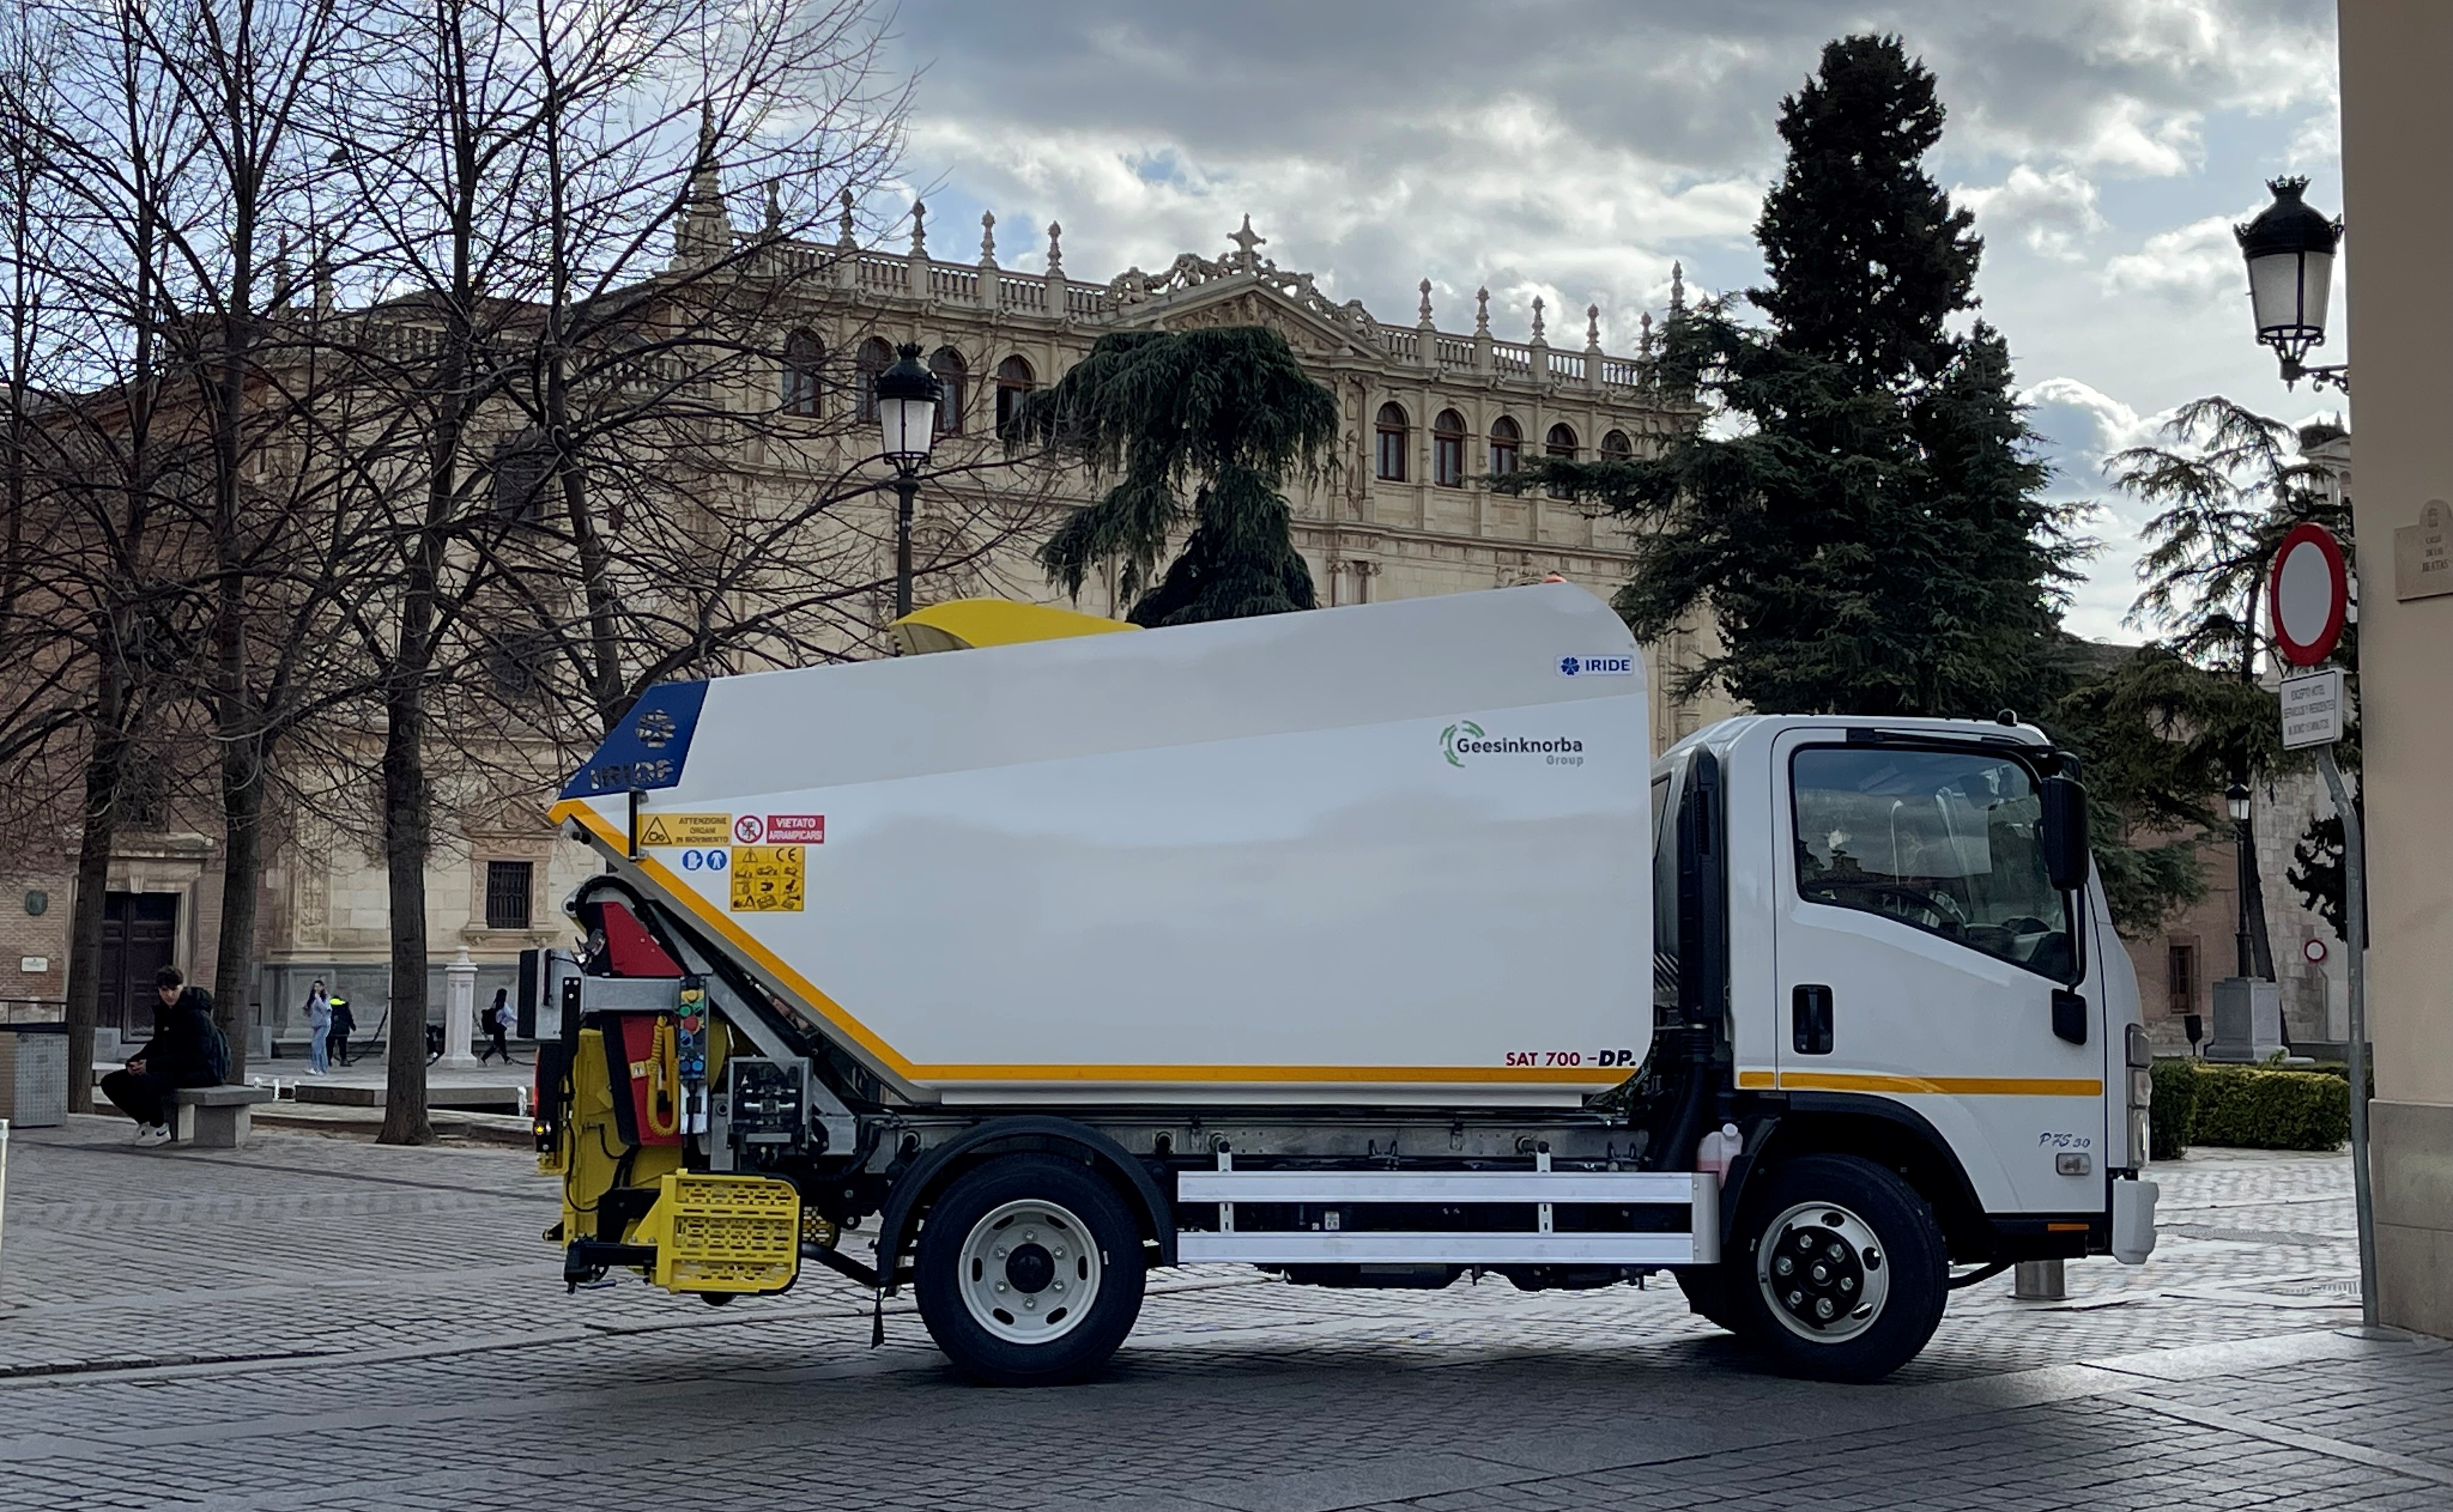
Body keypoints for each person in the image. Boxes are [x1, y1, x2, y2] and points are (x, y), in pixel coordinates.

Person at [101, 966, 228, 1146]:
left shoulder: (197, 1016)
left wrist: (151, 1066)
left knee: (146, 1082)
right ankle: (146, 1124)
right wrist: (135, 1061)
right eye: (164, 990)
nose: (170, 995)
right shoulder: (164, 1013)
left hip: (203, 1070)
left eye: (174, 989)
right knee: (111, 1082)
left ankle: (159, 1127)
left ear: (182, 987)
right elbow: (157, 1044)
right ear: (158, 990)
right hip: (177, 1066)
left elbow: (196, 1056)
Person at [479, 987, 513, 1064]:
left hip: (496, 1027)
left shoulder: (495, 1004)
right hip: (500, 1027)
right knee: (499, 1044)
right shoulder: (503, 1005)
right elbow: (510, 1015)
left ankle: (506, 1059)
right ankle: (484, 1058)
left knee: (499, 1044)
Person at [305, 977, 332, 1075]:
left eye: (318, 986)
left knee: (316, 1045)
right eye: (315, 986)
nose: (316, 988)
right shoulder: (314, 998)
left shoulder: (326, 998)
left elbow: (325, 1010)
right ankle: (323, 1069)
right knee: (321, 1046)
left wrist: (319, 999)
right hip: (316, 1025)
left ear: (323, 987)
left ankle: (316, 1067)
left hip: (324, 1024)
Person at [326, 990, 355, 1067]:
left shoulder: (328, 1005)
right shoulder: (344, 1006)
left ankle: (328, 1060)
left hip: (331, 1030)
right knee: (343, 1046)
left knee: (330, 1046)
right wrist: (353, 1027)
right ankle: (344, 1060)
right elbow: (349, 1018)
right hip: (343, 1030)